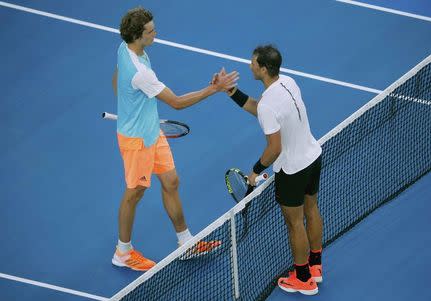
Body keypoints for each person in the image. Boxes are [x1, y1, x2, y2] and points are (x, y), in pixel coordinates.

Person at [111, 7, 238, 271]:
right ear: (137, 35)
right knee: (135, 193)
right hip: (137, 141)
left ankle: (186, 242)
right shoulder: (140, 71)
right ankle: (122, 252)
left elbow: (116, 80)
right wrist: (214, 89)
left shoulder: (128, 49)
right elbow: (177, 103)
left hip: (151, 131)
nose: (155, 33)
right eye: (150, 31)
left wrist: (129, 105)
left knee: (171, 181)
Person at [222, 45, 324, 295]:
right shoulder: (288, 82)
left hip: (292, 170)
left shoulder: (268, 104)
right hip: (312, 156)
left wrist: (255, 170)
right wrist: (232, 92)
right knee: (311, 210)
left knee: (294, 224)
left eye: (253, 63)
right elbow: (263, 109)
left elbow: (274, 148)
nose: (250, 66)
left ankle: (303, 279)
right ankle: (315, 266)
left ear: (264, 69)